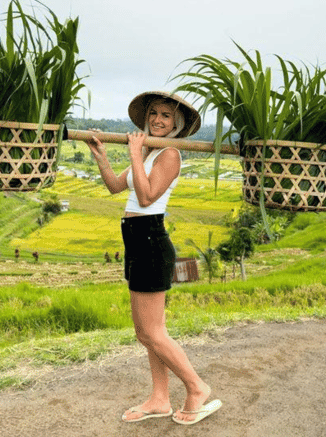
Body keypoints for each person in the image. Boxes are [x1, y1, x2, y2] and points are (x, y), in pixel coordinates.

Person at [85, 91, 223, 426]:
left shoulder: (171, 155)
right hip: (135, 239)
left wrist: (135, 152)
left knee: (152, 333)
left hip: (150, 239)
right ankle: (160, 399)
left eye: (166, 116)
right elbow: (119, 187)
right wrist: (102, 157)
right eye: (154, 114)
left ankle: (196, 387)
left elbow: (146, 198)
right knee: (147, 331)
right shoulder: (149, 151)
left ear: (176, 123)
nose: (158, 120)